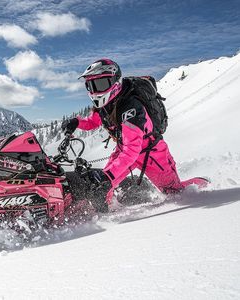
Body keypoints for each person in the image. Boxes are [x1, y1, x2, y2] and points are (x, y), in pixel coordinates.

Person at [62, 58, 208, 212]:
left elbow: (132, 150)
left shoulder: (131, 108)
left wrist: (108, 176)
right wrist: (77, 123)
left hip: (152, 154)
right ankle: (104, 218)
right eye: (91, 85)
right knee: (102, 188)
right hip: (123, 152)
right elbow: (94, 122)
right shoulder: (106, 104)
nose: (95, 91)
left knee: (177, 194)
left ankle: (205, 184)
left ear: (114, 82)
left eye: (100, 84)